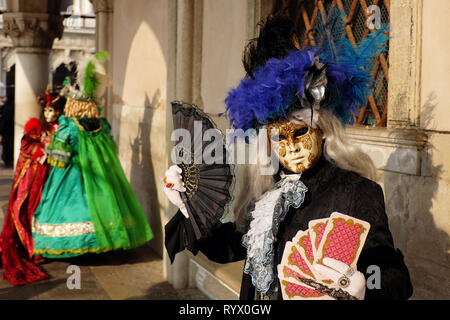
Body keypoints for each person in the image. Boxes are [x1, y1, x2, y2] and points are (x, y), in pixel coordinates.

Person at [163, 14, 413, 300]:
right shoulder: (268, 189)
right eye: (279, 137)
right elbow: (230, 248)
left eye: (300, 133)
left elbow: (395, 277)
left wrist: (364, 286)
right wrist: (188, 204)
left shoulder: (356, 192)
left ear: (323, 131)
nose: (290, 146)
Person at [32, 52, 153, 258]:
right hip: (103, 173)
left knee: (69, 205)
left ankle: (79, 244)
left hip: (73, 172)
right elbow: (111, 147)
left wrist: (50, 155)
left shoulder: (69, 126)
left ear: (73, 104)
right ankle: (104, 241)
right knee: (106, 203)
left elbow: (59, 156)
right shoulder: (101, 124)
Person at [0, 90, 66, 286]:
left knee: (45, 212)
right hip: (33, 178)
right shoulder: (35, 128)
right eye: (46, 111)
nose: (48, 115)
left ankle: (46, 246)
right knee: (27, 210)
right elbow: (27, 146)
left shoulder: (62, 129)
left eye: (52, 111)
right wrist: (44, 151)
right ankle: (31, 248)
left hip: (52, 178)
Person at [0, 82, 14, 167]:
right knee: (9, 144)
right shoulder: (12, 107)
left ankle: (6, 158)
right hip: (10, 129)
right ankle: (8, 158)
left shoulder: (5, 106)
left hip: (5, 129)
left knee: (6, 145)